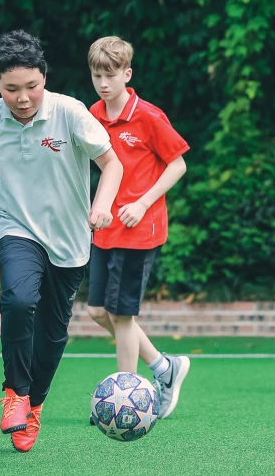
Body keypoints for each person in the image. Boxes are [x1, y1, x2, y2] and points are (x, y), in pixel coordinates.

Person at [0, 30, 123, 453]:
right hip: (17, 228)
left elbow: (112, 164)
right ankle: (15, 393)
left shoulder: (70, 113)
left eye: (32, 86)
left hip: (70, 239)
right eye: (12, 89)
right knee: (16, 299)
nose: (24, 97)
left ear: (43, 78)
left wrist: (102, 205)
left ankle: (35, 406)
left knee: (51, 335)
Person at [85, 36, 191, 421]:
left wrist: (143, 202)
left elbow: (177, 164)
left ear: (126, 74)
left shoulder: (148, 116)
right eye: (97, 75)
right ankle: (164, 367)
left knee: (121, 314)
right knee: (98, 311)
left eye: (110, 75)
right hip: (104, 226)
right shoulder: (92, 114)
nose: (103, 83)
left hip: (139, 228)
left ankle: (126, 400)